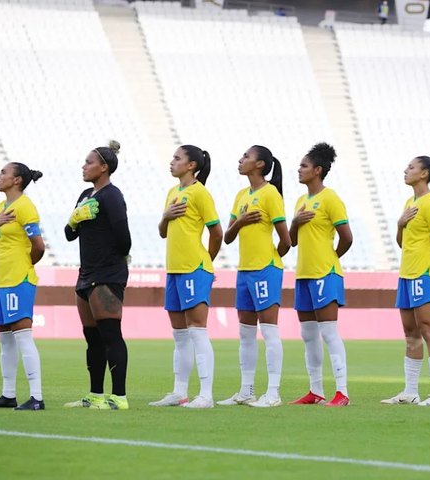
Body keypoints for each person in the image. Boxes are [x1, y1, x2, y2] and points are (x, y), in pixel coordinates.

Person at [217, 146, 291, 408]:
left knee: (269, 331)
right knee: (246, 333)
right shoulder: (240, 196)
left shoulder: (270, 194)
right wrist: (241, 221)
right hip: (244, 270)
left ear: (260, 164)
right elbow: (227, 236)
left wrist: (272, 262)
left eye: (246, 156)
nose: (240, 159)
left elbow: (286, 240)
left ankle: (273, 393)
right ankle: (246, 390)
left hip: (265, 270)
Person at [149, 145, 223, 409]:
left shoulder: (200, 193)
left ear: (191, 165)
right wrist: (165, 216)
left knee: (197, 332)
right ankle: (179, 392)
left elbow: (217, 232)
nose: (172, 162)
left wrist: (206, 263)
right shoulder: (172, 192)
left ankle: (206, 395)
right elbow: (163, 232)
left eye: (177, 158)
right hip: (174, 270)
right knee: (179, 335)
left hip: (194, 269)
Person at [63, 141, 132, 410]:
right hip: (86, 273)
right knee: (92, 337)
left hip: (107, 274)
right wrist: (75, 219)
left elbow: (124, 239)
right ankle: (95, 395)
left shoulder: (112, 196)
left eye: (89, 162)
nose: (84, 165)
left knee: (110, 334)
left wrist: (112, 261)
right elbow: (69, 235)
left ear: (104, 167)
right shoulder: (85, 195)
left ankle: (119, 397)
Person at [288, 143, 353, 407]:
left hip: (325, 273)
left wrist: (330, 259)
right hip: (303, 274)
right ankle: (315, 390)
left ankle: (342, 391)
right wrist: (295, 222)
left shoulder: (331, 198)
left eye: (304, 166)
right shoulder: (301, 201)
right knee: (307, 335)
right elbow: (292, 241)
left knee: (328, 332)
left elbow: (347, 237)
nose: (299, 169)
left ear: (317, 170)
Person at [382, 156, 430, 406]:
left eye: (411, 167)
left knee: (429, 330)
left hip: (424, 274)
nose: (405, 170)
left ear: (424, 174)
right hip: (406, 274)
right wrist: (400, 225)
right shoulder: (410, 202)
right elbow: (403, 243)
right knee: (411, 333)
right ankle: (410, 391)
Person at [0, 163, 45, 411]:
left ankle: (36, 397)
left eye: (3, 173)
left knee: (23, 336)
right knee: (4, 339)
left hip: (18, 280)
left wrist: (24, 267)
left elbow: (38, 246)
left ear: (17, 180)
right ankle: (8, 395)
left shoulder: (25, 206)